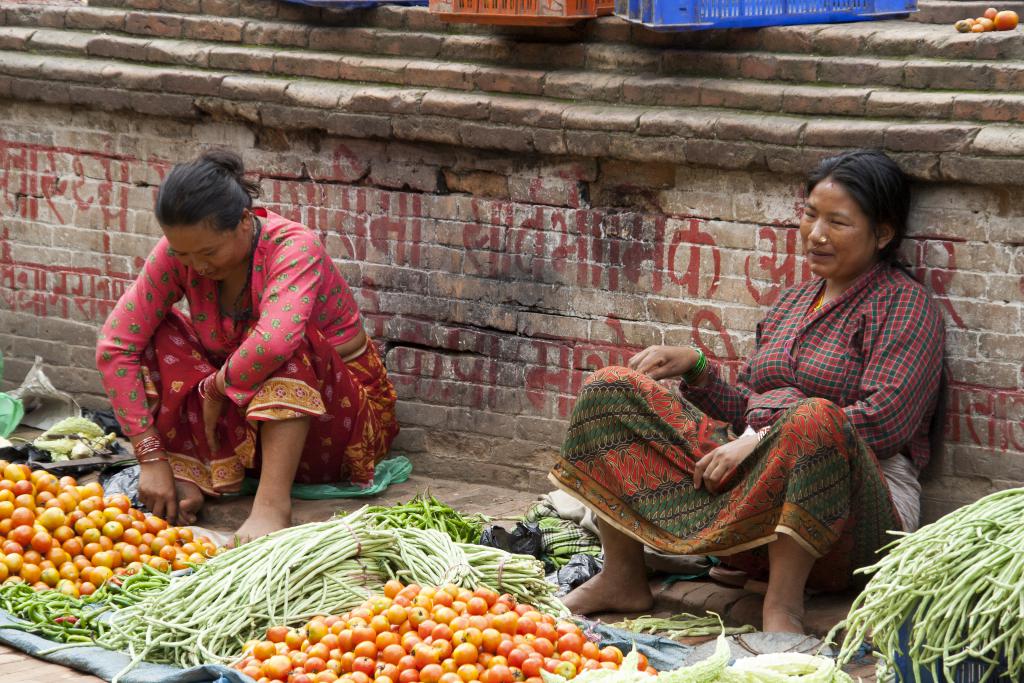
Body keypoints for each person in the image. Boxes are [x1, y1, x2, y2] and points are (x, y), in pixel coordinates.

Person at [549, 149, 945, 633]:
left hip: (857, 519)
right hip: (757, 499)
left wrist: (758, 441)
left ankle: (783, 607)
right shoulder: (793, 302)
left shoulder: (905, 305)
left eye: (837, 222)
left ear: (882, 234)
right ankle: (622, 576)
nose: (816, 234)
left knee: (815, 417)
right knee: (609, 389)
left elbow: (884, 422)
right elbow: (748, 409)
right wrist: (697, 369)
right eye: (810, 215)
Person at [96, 150, 399, 540]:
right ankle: (192, 471)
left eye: (207, 253)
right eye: (183, 253)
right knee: (158, 333)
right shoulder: (181, 256)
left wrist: (217, 386)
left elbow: (274, 344)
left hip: (334, 423)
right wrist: (149, 455)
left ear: (243, 221)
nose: (196, 267)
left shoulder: (294, 248)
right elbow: (116, 344)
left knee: (289, 343)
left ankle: (272, 506)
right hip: (241, 411)